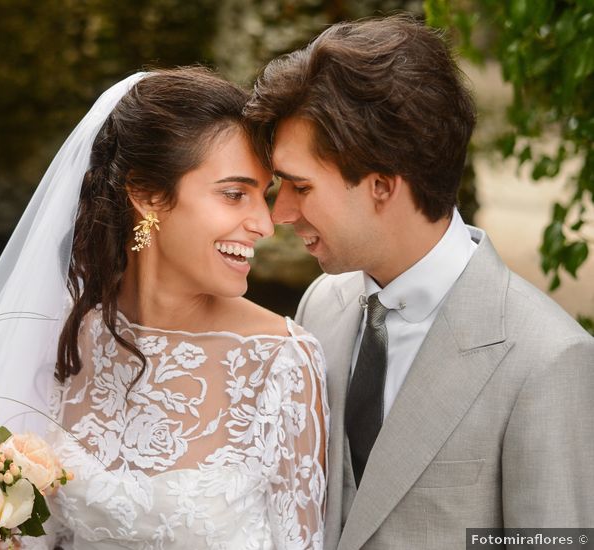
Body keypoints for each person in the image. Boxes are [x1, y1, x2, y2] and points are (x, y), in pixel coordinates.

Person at [0, 68, 328, 550]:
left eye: (265, 195)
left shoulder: (282, 360)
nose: (263, 223)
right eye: (235, 194)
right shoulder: (58, 335)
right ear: (147, 194)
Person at [245, 14, 594, 550]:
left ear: (382, 184)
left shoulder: (549, 360)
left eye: (299, 186)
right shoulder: (322, 305)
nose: (281, 214)